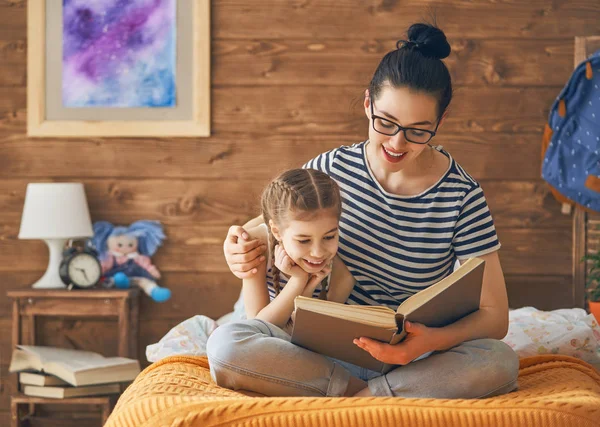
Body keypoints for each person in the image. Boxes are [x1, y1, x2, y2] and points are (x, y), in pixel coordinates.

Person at [207, 22, 519, 399]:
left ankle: (369, 396)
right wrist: (237, 243)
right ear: (368, 102)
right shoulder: (331, 168)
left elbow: (495, 316)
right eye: (385, 122)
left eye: (418, 130)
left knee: (497, 361)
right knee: (226, 344)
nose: (397, 142)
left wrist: (426, 342)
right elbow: (275, 223)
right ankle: (360, 391)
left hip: (414, 359)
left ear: (441, 120)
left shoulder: (461, 196)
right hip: (319, 353)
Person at [239, 168, 354, 333]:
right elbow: (258, 329)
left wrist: (306, 287)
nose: (318, 253)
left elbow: (300, 335)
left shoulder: (341, 277)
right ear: (277, 231)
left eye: (329, 237)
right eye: (304, 240)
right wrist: (298, 279)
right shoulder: (257, 246)